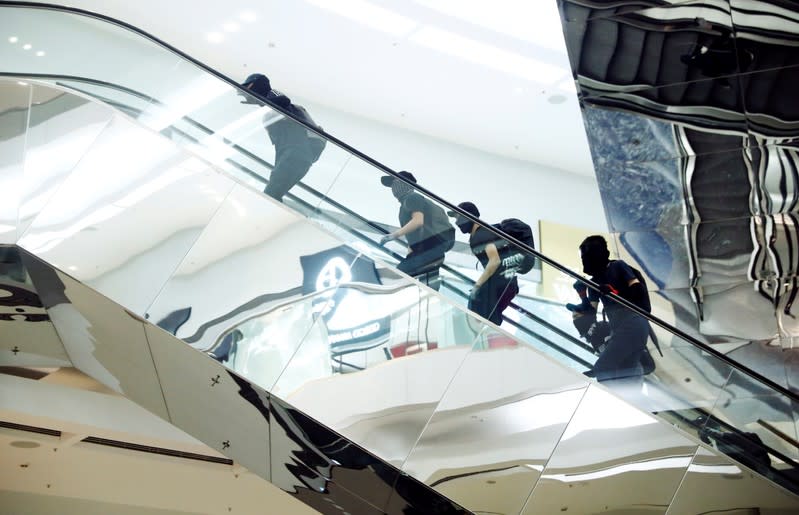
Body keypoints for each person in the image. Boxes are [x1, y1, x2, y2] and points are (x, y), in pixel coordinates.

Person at [570, 235, 655, 381]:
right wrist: (582, 295)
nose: (584, 261)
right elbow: (592, 312)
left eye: (586, 256)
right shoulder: (594, 283)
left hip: (634, 323)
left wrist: (614, 292)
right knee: (627, 371)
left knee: (605, 367)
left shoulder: (618, 266)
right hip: (619, 329)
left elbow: (637, 290)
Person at [240, 73, 319, 202]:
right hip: (296, 158)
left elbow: (283, 100)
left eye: (247, 89)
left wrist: (259, 97)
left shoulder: (277, 100)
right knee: (273, 195)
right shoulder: (273, 111)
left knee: (270, 196)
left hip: (294, 155)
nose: (245, 94)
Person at [379, 171, 455, 290]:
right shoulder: (406, 203)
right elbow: (415, 231)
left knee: (396, 277)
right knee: (427, 284)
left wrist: (392, 236)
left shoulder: (412, 197)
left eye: (395, 182)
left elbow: (418, 221)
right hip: (429, 248)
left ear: (405, 183)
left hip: (429, 247)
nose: (393, 188)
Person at [449, 201, 519, 326]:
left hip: (499, 283)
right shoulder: (481, 233)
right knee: (487, 320)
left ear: (467, 216)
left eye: (458, 218)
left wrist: (477, 285)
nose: (456, 222)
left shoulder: (481, 234)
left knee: (477, 318)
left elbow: (494, 260)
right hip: (507, 283)